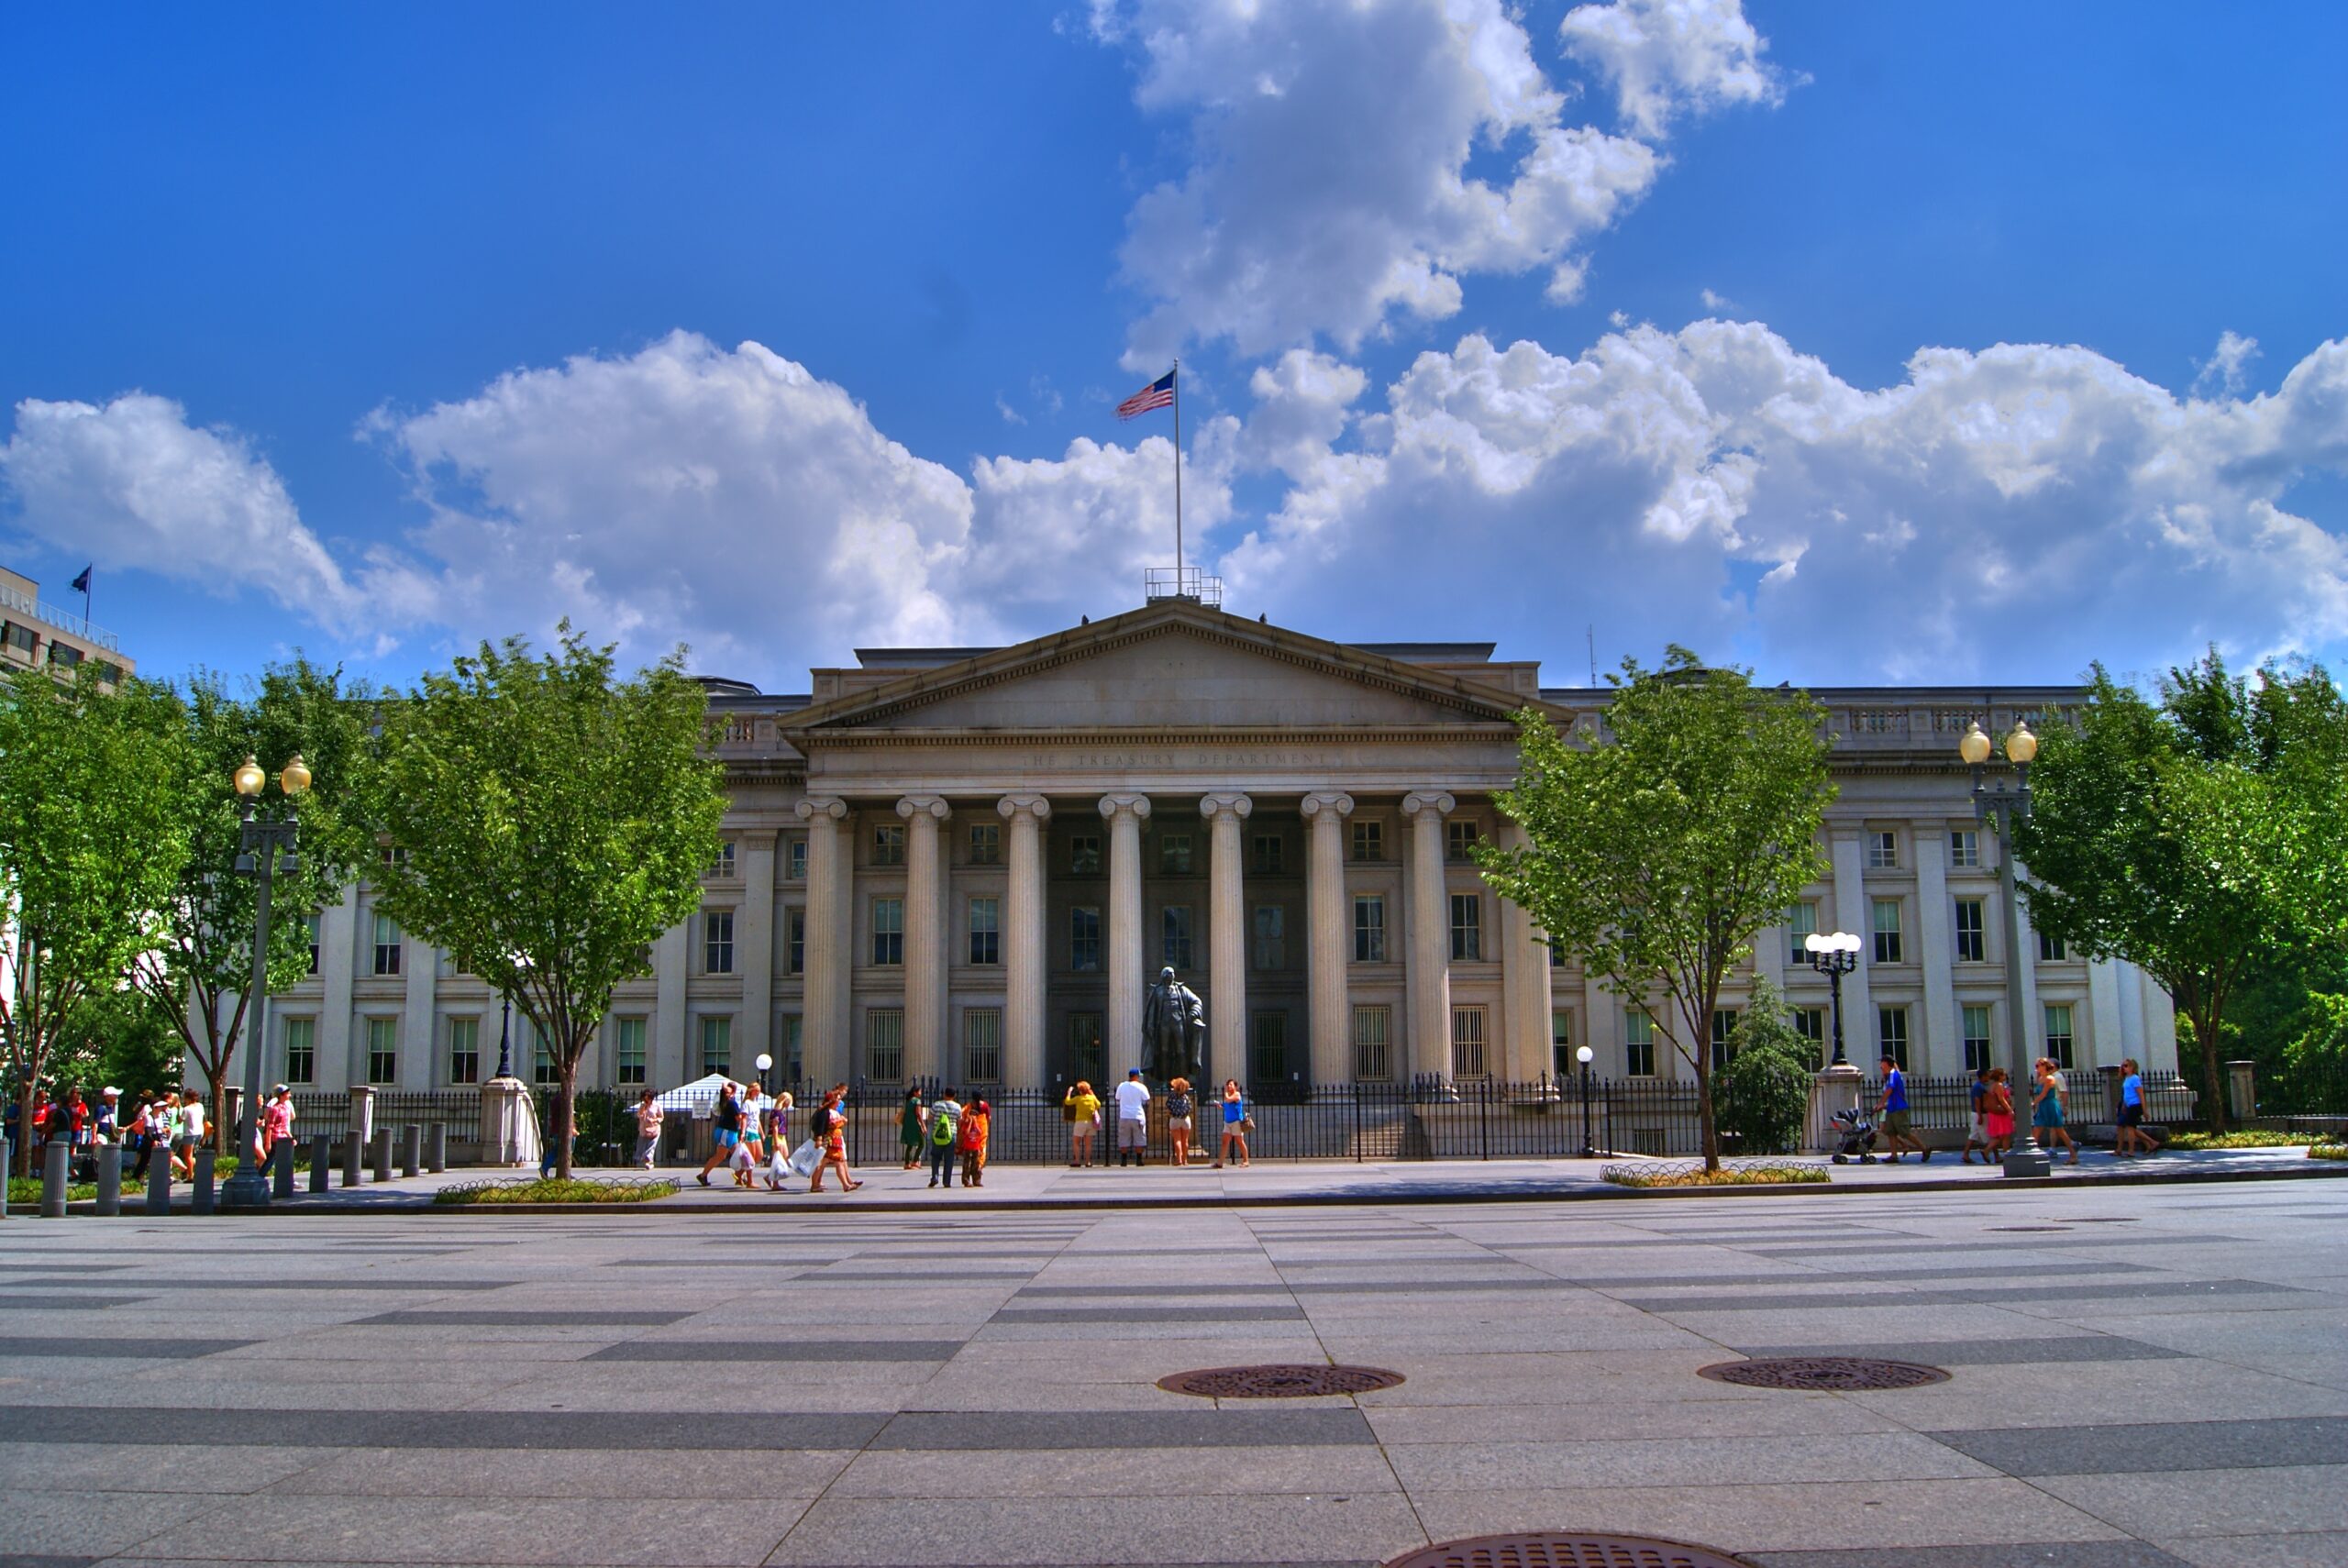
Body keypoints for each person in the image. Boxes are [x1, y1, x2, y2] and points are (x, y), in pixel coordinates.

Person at [806, 1085, 861, 1193]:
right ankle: (816, 1184)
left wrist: (842, 1122)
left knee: (834, 1163)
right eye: (838, 1099)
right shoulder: (825, 1112)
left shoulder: (835, 1112)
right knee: (823, 1163)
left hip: (836, 1142)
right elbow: (821, 1126)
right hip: (828, 1141)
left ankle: (844, 1184)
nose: (839, 1102)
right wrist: (819, 1139)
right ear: (833, 1100)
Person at [1877, 1055, 1927, 1163]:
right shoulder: (1890, 1075)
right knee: (1891, 1132)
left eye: (1881, 1063)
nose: (1880, 1066)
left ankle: (1924, 1148)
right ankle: (1894, 1156)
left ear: (1886, 1064)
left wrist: (1881, 1103)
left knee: (1905, 1132)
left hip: (1898, 1109)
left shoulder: (1893, 1074)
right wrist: (1883, 1105)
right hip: (1891, 1108)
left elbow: (1890, 1088)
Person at [697, 1081, 744, 1187]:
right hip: (727, 1132)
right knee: (721, 1156)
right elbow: (738, 1118)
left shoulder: (724, 1101)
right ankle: (703, 1175)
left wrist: (724, 1087)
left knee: (738, 1155)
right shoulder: (732, 1103)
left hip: (727, 1132)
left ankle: (739, 1176)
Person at [2032, 1058, 2079, 1164]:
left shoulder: (2050, 1078)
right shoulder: (2040, 1079)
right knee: (2037, 1129)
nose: (2037, 1068)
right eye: (2036, 1066)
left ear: (2045, 1066)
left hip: (2051, 1105)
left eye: (2038, 1065)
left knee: (2060, 1131)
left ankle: (2073, 1154)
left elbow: (2044, 1094)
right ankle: (2031, 1154)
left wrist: (2033, 1103)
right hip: (2043, 1106)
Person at [2115, 1057, 2156, 1156]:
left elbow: (2141, 1094)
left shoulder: (2135, 1078)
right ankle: (2151, 1143)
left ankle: (2131, 1150)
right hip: (2128, 1105)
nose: (2124, 1068)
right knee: (2128, 1127)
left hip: (2135, 1105)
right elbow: (2126, 1094)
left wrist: (2144, 1110)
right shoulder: (2127, 1079)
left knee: (2130, 1128)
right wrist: (2124, 1105)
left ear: (2132, 1067)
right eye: (2123, 1066)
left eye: (2126, 1066)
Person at [925, 1086, 964, 1188]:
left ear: (944, 1094)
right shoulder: (957, 1107)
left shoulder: (937, 1105)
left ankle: (935, 1176)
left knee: (936, 1157)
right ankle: (947, 1181)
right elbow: (959, 1122)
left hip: (938, 1135)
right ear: (954, 1096)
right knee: (949, 1159)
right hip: (951, 1135)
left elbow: (930, 1119)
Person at [1113, 1068, 1151, 1167]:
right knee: (1139, 1137)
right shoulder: (1141, 1087)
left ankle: (1124, 1160)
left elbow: (1117, 1098)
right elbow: (1147, 1098)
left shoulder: (1122, 1085)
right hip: (1137, 1115)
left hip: (1124, 1115)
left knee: (1124, 1138)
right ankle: (1139, 1159)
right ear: (1136, 1076)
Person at [737, 1082, 770, 1187]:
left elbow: (757, 1119)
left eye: (759, 1090)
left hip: (755, 1131)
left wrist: (762, 1133)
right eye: (756, 1090)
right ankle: (750, 1181)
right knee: (750, 1157)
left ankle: (739, 1173)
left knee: (759, 1156)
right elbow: (744, 1119)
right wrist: (742, 1132)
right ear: (751, 1091)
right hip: (748, 1131)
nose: (758, 1092)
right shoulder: (747, 1103)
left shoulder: (756, 1103)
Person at [1213, 1078, 1250, 1168]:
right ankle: (1220, 1162)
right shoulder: (1228, 1096)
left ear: (1235, 1087)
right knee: (1225, 1141)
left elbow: (1229, 1100)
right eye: (1228, 1084)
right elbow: (1226, 1106)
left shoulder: (1237, 1095)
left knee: (1239, 1141)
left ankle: (1246, 1160)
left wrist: (1225, 1094)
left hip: (1236, 1121)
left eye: (1231, 1084)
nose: (1229, 1086)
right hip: (1227, 1122)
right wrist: (1220, 1106)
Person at [1062, 1080, 1101, 1168]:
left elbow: (1067, 1102)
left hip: (1080, 1122)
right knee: (1088, 1144)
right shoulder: (1092, 1098)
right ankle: (1088, 1162)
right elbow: (1098, 1105)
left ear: (1080, 1090)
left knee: (1076, 1142)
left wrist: (1069, 1093)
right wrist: (1093, 1095)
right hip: (1090, 1122)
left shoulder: (1078, 1099)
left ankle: (1077, 1160)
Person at [260, 1086, 296, 1176]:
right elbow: (270, 1126)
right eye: (288, 1093)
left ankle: (286, 1178)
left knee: (284, 1160)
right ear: (282, 1095)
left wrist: (291, 1138)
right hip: (275, 1138)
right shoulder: (275, 1109)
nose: (290, 1095)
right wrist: (268, 1143)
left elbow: (284, 1127)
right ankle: (260, 1176)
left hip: (283, 1138)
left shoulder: (286, 1108)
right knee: (270, 1160)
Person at [763, 1091, 795, 1191]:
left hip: (781, 1136)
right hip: (777, 1136)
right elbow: (775, 1127)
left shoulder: (780, 1111)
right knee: (778, 1159)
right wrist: (776, 1141)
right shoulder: (776, 1112)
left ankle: (770, 1177)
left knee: (784, 1158)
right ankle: (775, 1182)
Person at [1982, 1067, 2015, 1162]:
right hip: (2000, 1113)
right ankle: (2005, 1153)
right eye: (2003, 1074)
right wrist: (2009, 1110)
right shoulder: (1999, 1085)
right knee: (2005, 1135)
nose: (2005, 1076)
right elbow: (2001, 1099)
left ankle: (1988, 1151)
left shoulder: (1992, 1086)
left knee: (1997, 1135)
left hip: (1994, 1113)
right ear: (1999, 1076)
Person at [171, 1090, 205, 1181]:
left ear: (188, 1098)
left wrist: (179, 1109)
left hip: (190, 1133)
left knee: (188, 1155)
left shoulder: (186, 1109)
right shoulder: (200, 1106)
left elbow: (180, 1120)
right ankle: (197, 1171)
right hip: (199, 1132)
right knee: (193, 1154)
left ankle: (190, 1175)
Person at [1960, 1066, 1991, 1164]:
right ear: (1983, 1076)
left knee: (1973, 1135)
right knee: (1990, 1135)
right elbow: (1977, 1101)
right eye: (1987, 1075)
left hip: (1976, 1113)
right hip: (1980, 1113)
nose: (1989, 1077)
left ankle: (1965, 1154)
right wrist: (1980, 1115)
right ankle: (1991, 1153)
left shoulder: (1977, 1086)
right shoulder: (1980, 1087)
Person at [959, 1097, 990, 1187]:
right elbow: (966, 1132)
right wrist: (970, 1123)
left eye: (975, 1115)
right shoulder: (967, 1123)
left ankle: (977, 1180)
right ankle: (966, 1181)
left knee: (976, 1164)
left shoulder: (977, 1125)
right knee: (966, 1165)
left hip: (975, 1147)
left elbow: (980, 1133)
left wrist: (975, 1123)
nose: (973, 1117)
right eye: (972, 1115)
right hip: (968, 1147)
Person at [1165, 1077, 1195, 1167]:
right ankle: (1185, 1160)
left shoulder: (1172, 1096)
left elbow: (1168, 1106)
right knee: (1185, 1141)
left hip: (1175, 1119)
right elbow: (1189, 1107)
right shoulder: (1186, 1097)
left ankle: (1179, 1160)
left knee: (1177, 1140)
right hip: (1185, 1119)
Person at [633, 1089, 664, 1169]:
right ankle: (650, 1163)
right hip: (644, 1129)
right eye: (644, 1099)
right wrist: (643, 1109)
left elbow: (661, 1117)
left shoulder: (657, 1106)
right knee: (642, 1146)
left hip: (654, 1129)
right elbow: (639, 1115)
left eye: (648, 1099)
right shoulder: (642, 1106)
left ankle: (648, 1160)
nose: (646, 1101)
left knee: (651, 1146)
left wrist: (654, 1120)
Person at [899, 1087, 926, 1171]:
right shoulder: (917, 1101)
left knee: (910, 1144)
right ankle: (914, 1161)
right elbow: (918, 1114)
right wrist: (923, 1125)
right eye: (920, 1091)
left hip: (907, 1124)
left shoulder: (908, 1101)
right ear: (915, 1092)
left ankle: (907, 1163)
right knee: (922, 1143)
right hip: (915, 1124)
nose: (921, 1093)